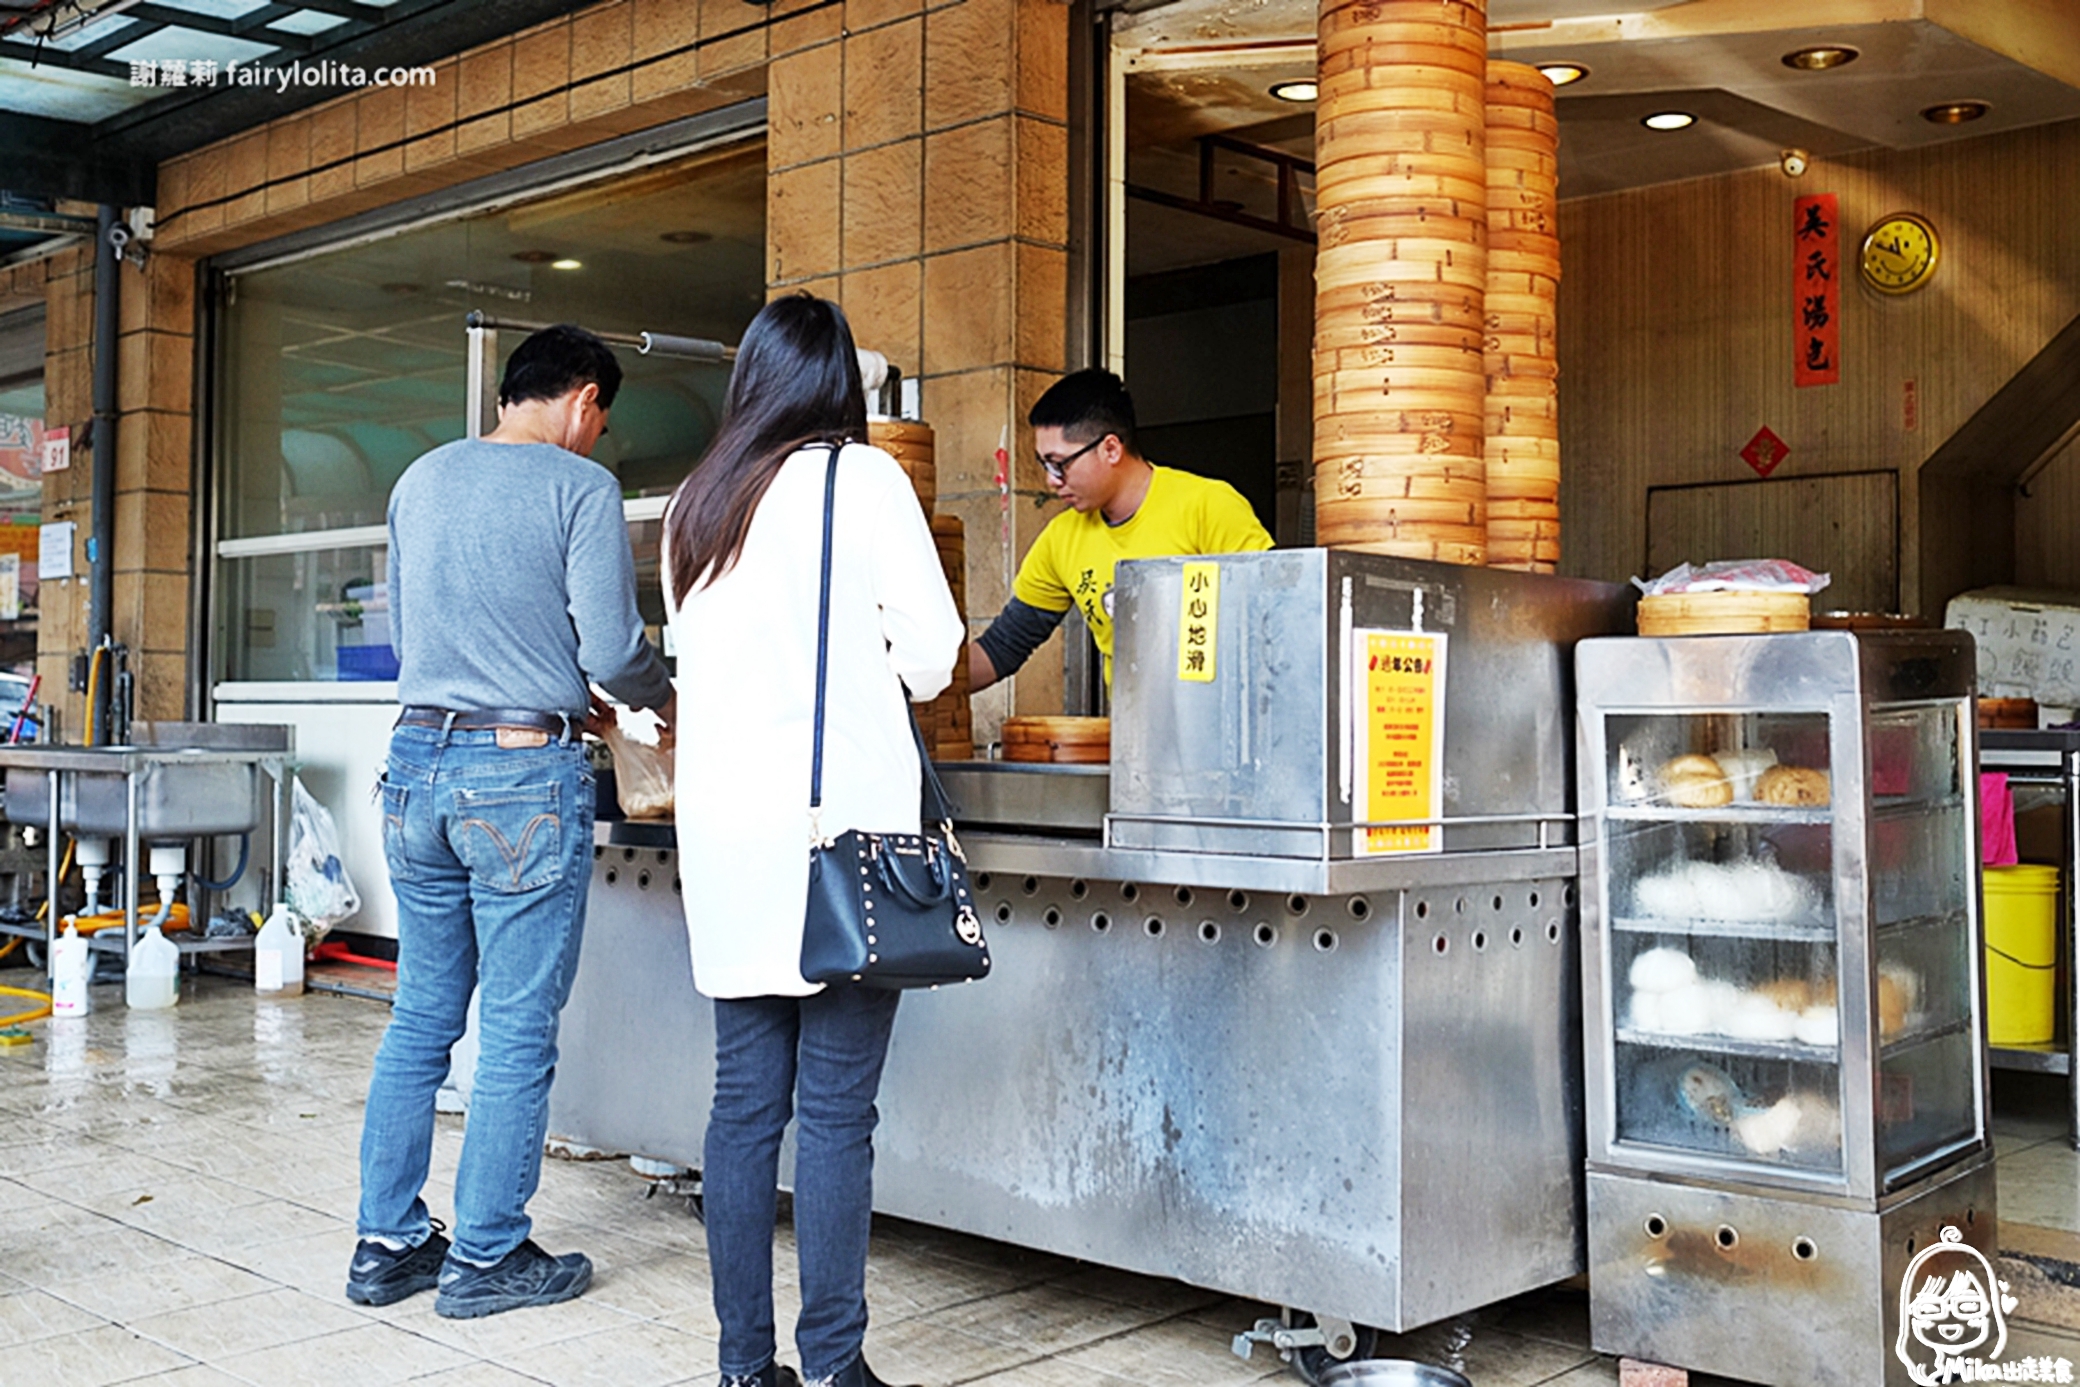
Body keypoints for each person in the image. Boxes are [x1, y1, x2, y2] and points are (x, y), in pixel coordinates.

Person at [348, 324, 677, 1319]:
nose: (597, 439)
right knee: (519, 1028)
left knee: (420, 1019)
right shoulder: (577, 489)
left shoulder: (419, 478)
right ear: (581, 399)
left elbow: (419, 633)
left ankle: (387, 1242)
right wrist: (662, 698)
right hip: (517, 779)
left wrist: (536, 683)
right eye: (603, 421)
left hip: (415, 765)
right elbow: (615, 647)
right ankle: (488, 1257)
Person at [664, 294, 961, 1387]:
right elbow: (932, 658)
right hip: (840, 847)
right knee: (836, 1114)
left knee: (743, 1108)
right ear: (843, 383)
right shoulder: (864, 477)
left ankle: (746, 1369)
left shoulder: (701, 501)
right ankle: (833, 1367)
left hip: (731, 849)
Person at [968, 367, 1273, 692]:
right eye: (1044, 464)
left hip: (1223, 721)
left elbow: (1273, 616)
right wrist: (919, 687)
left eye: (1060, 463)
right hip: (1134, 731)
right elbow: (1005, 645)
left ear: (1110, 448)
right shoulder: (1061, 538)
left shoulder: (1209, 505)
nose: (1051, 480)